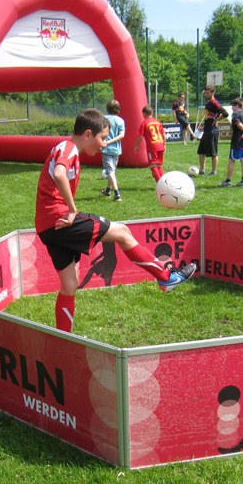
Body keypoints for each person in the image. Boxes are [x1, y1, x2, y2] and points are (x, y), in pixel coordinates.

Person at [35, 108, 197, 333]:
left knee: (70, 285)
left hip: (47, 226)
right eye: (102, 138)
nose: (103, 144)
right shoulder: (69, 148)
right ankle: (165, 277)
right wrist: (72, 210)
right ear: (88, 134)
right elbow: (60, 174)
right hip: (60, 218)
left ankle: (64, 339)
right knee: (122, 232)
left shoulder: (66, 148)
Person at [220, 97, 243, 188]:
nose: (231, 108)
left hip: (237, 141)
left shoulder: (235, 114)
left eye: (232, 105)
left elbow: (238, 123)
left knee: (232, 161)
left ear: (237, 105)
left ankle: (228, 181)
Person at [196, 85, 228, 176]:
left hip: (212, 131)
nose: (206, 95)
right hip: (206, 130)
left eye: (208, 93)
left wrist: (216, 120)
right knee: (201, 151)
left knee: (213, 152)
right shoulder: (208, 103)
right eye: (205, 93)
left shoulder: (215, 103)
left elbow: (225, 113)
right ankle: (202, 170)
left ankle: (214, 171)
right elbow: (208, 116)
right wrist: (203, 126)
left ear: (213, 93)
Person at [100, 99, 125, 202]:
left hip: (106, 149)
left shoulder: (104, 119)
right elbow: (122, 135)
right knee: (112, 171)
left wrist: (106, 142)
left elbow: (100, 133)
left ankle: (117, 194)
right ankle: (108, 190)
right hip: (116, 150)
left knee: (110, 171)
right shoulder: (121, 121)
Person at [133, 105, 166, 181]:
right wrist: (164, 145)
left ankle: (159, 183)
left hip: (153, 146)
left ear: (144, 114)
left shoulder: (144, 123)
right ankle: (164, 182)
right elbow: (163, 135)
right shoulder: (157, 122)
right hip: (160, 144)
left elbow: (140, 136)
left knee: (153, 165)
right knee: (159, 165)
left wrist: (136, 146)